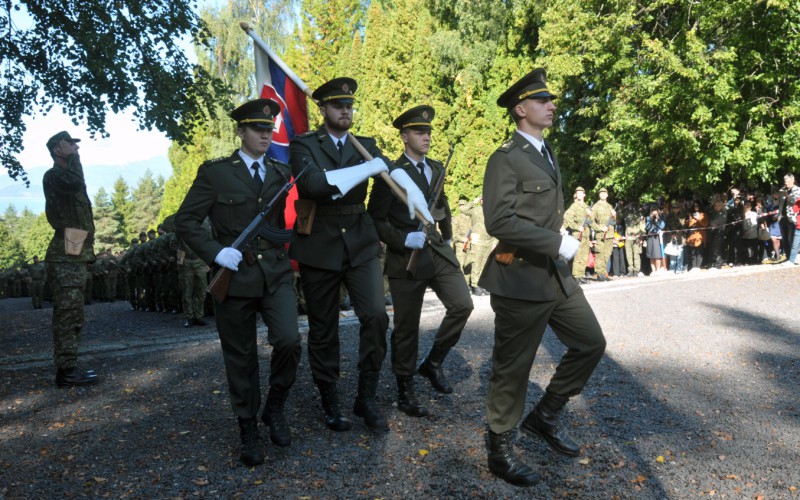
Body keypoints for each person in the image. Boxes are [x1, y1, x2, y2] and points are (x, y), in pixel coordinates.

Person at [477, 69, 606, 486]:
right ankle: (499, 447)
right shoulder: (505, 158)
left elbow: (544, 214)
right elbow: (499, 220)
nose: (552, 106)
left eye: (550, 100)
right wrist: (555, 243)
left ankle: (545, 416)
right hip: (519, 277)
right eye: (542, 101)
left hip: (556, 275)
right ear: (520, 109)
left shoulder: (545, 152)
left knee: (590, 342)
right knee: (513, 368)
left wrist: (559, 241)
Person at [288, 78, 432, 433]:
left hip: (360, 239)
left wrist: (409, 187)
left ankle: (365, 396)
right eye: (338, 106)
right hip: (320, 241)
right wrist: (367, 168)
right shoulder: (304, 145)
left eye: (349, 106)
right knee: (323, 328)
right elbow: (314, 186)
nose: (345, 112)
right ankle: (330, 399)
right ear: (323, 110)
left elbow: (390, 170)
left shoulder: (365, 144)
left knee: (375, 317)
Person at [175, 98, 302, 466]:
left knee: (290, 341)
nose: (266, 135)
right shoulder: (216, 173)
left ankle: (274, 406)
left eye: (270, 129)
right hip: (233, 273)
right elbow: (185, 222)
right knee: (241, 357)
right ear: (241, 131)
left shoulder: (280, 172)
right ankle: (247, 426)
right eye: (259, 129)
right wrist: (216, 252)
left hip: (275, 273)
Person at [367, 105, 474, 417]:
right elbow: (376, 219)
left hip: (437, 249)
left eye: (428, 132)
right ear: (404, 136)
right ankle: (405, 386)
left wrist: (450, 235)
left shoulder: (436, 168)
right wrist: (402, 239)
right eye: (419, 132)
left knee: (462, 305)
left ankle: (434, 362)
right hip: (406, 256)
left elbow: (444, 206)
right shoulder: (391, 175)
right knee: (406, 327)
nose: (426, 137)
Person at [42, 131, 99, 387]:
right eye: (70, 144)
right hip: (64, 258)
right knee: (67, 314)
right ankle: (66, 371)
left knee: (74, 314)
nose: (76, 148)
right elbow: (74, 183)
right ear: (57, 150)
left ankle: (70, 366)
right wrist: (74, 160)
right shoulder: (55, 176)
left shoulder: (68, 175)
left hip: (74, 255)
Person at [562, 187, 592, 283]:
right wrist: (576, 227)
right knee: (578, 255)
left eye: (581, 193)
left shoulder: (587, 207)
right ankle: (576, 276)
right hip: (578, 233)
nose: (579, 194)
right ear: (576, 195)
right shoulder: (574, 206)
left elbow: (591, 222)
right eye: (577, 193)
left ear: (584, 195)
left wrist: (590, 214)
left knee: (584, 255)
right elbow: (567, 217)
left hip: (586, 234)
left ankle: (581, 275)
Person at [590, 188, 615, 281]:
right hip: (601, 234)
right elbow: (591, 222)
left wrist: (615, 216)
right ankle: (599, 273)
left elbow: (614, 222)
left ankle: (604, 273)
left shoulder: (610, 206)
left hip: (610, 234)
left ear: (607, 195)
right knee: (600, 254)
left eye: (604, 193)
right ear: (599, 195)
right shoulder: (595, 207)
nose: (603, 195)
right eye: (601, 193)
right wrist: (600, 228)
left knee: (607, 254)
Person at [623, 202, 646, 276]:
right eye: (631, 206)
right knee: (628, 255)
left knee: (636, 254)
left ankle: (636, 270)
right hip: (628, 237)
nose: (632, 208)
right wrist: (626, 206)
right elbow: (619, 215)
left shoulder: (640, 216)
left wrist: (641, 237)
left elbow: (642, 227)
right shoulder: (626, 215)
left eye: (633, 206)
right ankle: (630, 270)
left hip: (637, 237)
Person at [685, 200, 707, 271]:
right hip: (692, 235)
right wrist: (692, 219)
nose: (696, 207)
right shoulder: (690, 214)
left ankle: (698, 267)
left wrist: (698, 219)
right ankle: (694, 267)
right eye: (694, 206)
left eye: (697, 205)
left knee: (699, 251)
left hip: (700, 235)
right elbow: (688, 224)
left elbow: (705, 224)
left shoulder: (704, 214)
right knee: (692, 252)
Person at [645, 206, 666, 274]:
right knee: (651, 255)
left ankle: (658, 269)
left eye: (655, 214)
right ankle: (653, 271)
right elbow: (647, 227)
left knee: (657, 255)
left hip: (657, 237)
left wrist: (657, 220)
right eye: (653, 213)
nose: (654, 215)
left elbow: (662, 226)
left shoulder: (661, 218)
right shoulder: (648, 218)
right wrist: (651, 219)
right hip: (650, 237)